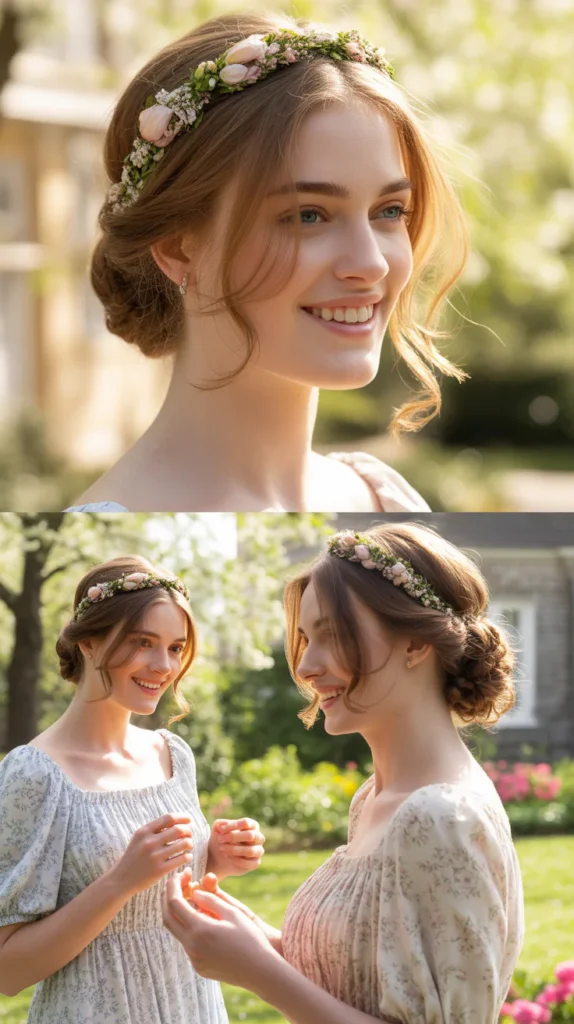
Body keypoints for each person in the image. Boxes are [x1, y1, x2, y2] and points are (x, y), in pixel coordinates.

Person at [66, 12, 470, 513]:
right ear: (177, 246)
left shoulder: (382, 497)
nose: (371, 264)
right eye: (307, 215)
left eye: (389, 211)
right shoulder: (111, 524)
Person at [160, 522, 525, 1023]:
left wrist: (261, 973)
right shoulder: (374, 799)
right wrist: (255, 942)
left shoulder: (440, 817)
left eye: (332, 635)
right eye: (306, 639)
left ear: (415, 643)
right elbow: (362, 983)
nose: (306, 666)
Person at [0, 555, 265, 1023]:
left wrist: (213, 862)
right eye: (143, 642)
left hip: (192, 1005)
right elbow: (7, 971)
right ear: (88, 642)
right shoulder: (34, 774)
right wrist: (120, 881)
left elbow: (163, 904)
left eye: (175, 647)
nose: (163, 666)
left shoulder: (172, 755)